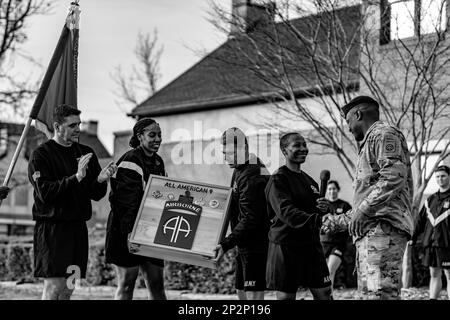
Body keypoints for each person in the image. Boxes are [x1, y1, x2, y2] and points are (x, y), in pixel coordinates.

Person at [323, 95, 414, 300]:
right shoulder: (370, 142)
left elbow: (393, 177)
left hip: (383, 231)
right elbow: (366, 199)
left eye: (348, 121)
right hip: (374, 232)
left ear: (358, 114)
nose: (348, 127)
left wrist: (362, 211)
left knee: (379, 296)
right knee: (369, 296)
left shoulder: (383, 134)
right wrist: (338, 221)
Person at [28, 104, 116, 300]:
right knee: (54, 287)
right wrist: (76, 177)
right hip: (52, 229)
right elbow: (45, 193)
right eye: (72, 125)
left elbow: (95, 194)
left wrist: (101, 180)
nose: (78, 129)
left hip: (77, 228)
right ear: (57, 127)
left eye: (79, 124)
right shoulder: (41, 155)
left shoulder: (86, 152)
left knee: (68, 288)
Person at [265, 132, 332, 300]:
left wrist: (324, 209)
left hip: (311, 246)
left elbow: (315, 212)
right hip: (286, 247)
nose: (303, 148)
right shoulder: (278, 180)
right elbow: (286, 212)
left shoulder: (311, 182)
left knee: (325, 294)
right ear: (284, 151)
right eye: (297, 145)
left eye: (304, 145)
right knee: (286, 298)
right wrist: (317, 218)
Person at [105, 118, 167, 300]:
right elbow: (125, 204)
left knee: (157, 284)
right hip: (125, 229)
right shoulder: (130, 160)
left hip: (150, 230)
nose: (157, 139)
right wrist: (130, 232)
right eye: (152, 135)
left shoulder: (158, 162)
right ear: (140, 136)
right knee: (126, 284)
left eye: (160, 135)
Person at [214, 127, 270, 300]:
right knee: (241, 294)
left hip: (256, 245)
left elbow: (250, 218)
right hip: (244, 244)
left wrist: (225, 244)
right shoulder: (240, 168)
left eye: (230, 153)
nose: (226, 158)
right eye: (224, 153)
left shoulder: (251, 173)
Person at [412, 165, 450, 300]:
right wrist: (413, 236)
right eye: (438, 176)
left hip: (447, 244)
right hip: (431, 244)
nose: (440, 179)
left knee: (449, 275)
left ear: (449, 177)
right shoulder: (430, 200)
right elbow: (420, 221)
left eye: (443, 176)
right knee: (434, 274)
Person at [320, 180, 352, 288]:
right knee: (323, 274)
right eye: (329, 189)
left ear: (338, 190)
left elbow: (349, 224)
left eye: (334, 188)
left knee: (330, 271)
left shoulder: (345, 205)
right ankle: (329, 295)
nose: (332, 191)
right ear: (327, 191)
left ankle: (328, 294)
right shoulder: (323, 206)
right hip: (324, 243)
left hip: (338, 245)